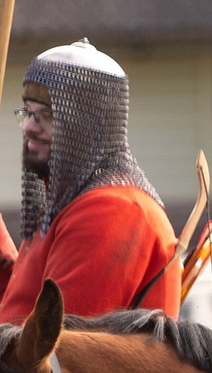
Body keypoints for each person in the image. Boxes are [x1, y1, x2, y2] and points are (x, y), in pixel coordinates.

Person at [0, 41, 179, 322]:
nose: (30, 127)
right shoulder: (65, 203)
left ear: (87, 125)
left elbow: (55, 342)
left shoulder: (113, 211)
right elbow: (19, 309)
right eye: (27, 112)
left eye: (47, 115)